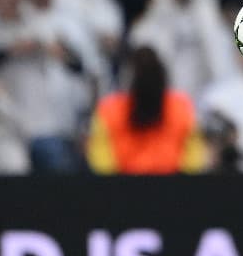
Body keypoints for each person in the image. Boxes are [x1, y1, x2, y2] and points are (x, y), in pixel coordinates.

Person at [86, 45, 206, 175]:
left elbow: (194, 158)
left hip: (149, 189)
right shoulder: (182, 107)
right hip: (139, 190)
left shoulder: (108, 110)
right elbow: (194, 160)